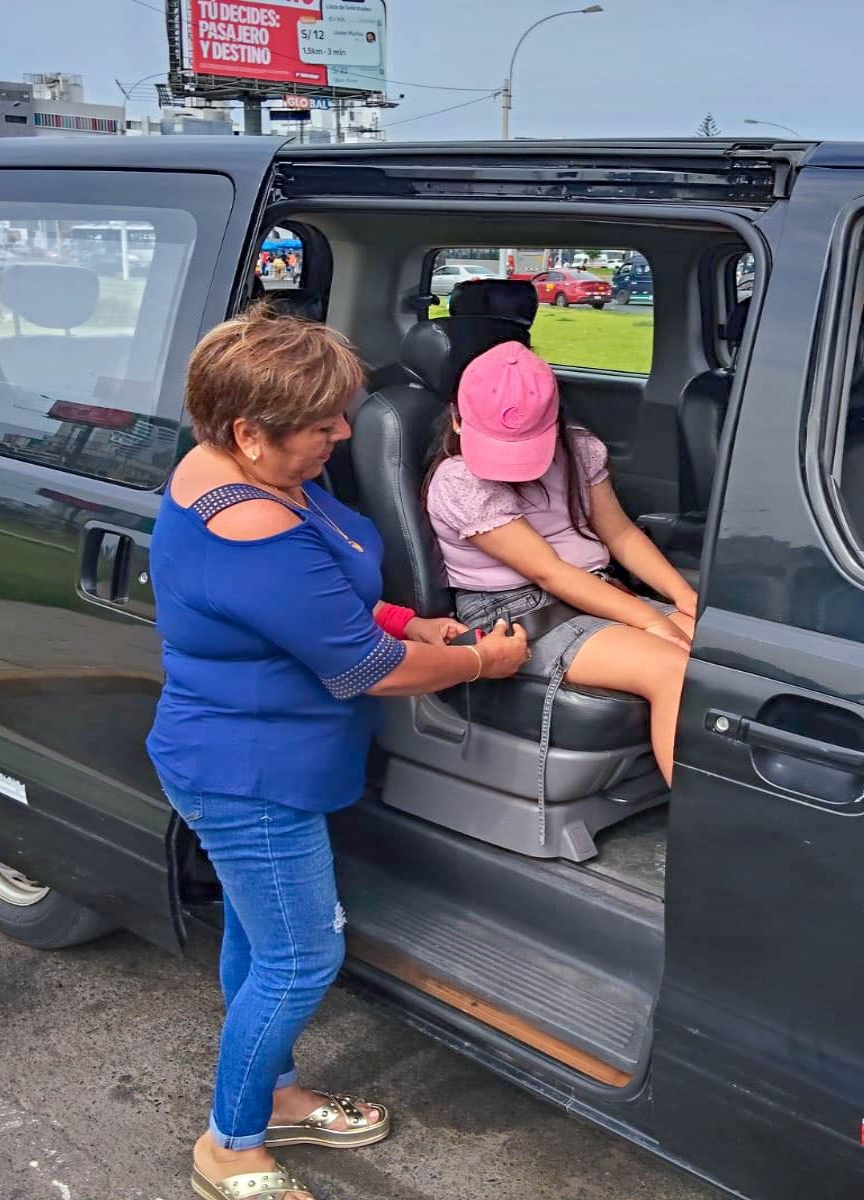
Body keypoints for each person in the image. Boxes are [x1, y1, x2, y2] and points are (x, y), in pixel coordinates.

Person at [147, 307, 529, 1200]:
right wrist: (482, 660)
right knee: (301, 958)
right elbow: (363, 667)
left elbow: (318, 606)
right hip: (249, 775)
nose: (343, 435)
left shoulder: (238, 467)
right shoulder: (249, 525)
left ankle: (275, 1094)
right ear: (250, 431)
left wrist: (406, 619)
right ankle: (229, 1145)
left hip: (250, 755)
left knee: (260, 937)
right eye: (322, 424)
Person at [426, 342, 699, 783]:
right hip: (516, 612)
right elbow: (548, 571)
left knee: (719, 657)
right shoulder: (460, 482)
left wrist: (685, 598)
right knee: (675, 670)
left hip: (594, 589)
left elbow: (620, 533)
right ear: (456, 419)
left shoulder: (577, 450)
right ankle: (700, 821)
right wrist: (651, 621)